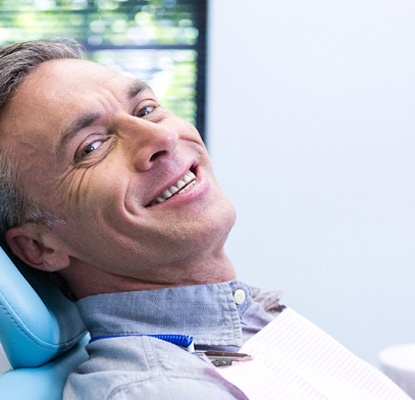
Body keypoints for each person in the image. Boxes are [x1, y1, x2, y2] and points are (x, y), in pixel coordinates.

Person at [0, 39, 410, 400]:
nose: (161, 138)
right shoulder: (158, 390)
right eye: (90, 147)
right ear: (39, 247)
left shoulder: (244, 321)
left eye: (146, 108)